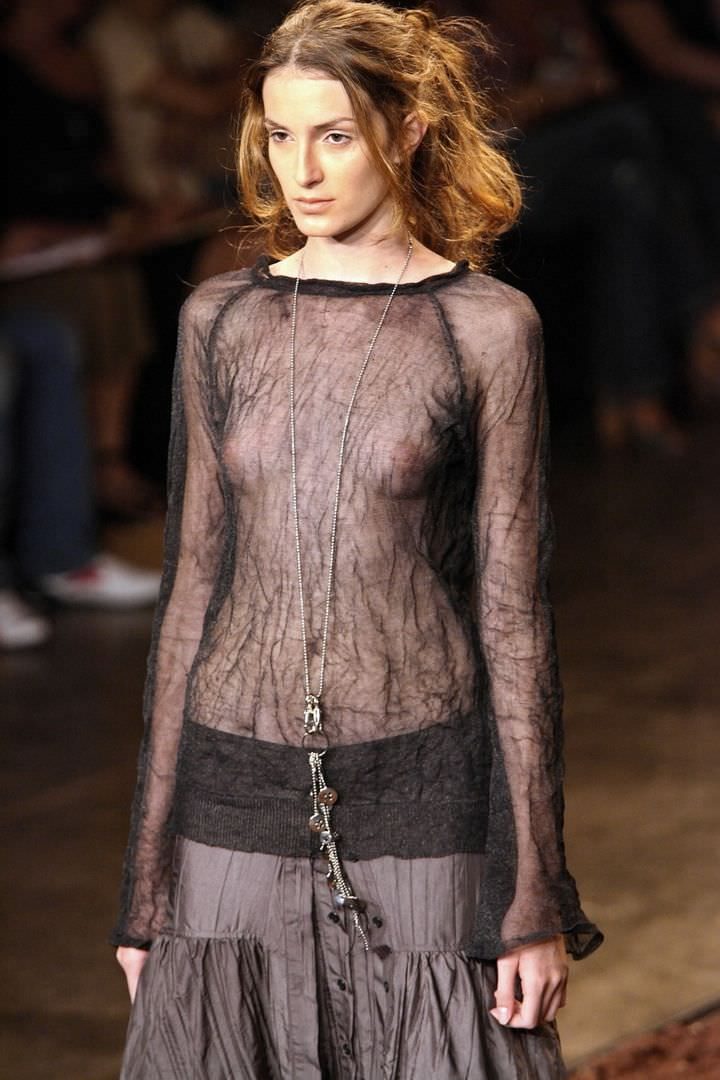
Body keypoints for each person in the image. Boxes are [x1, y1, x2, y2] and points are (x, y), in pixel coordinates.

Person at [112, 2, 603, 1076]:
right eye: (281, 134)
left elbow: (513, 617)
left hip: (422, 776)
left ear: (409, 128)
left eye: (334, 134)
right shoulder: (220, 320)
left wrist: (531, 896)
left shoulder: (484, 327)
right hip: (231, 783)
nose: (302, 169)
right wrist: (146, 893)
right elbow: (191, 593)